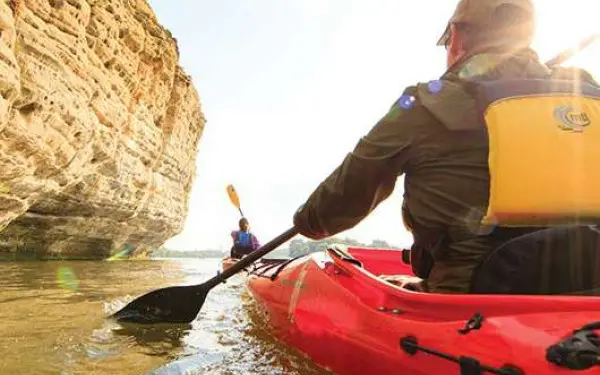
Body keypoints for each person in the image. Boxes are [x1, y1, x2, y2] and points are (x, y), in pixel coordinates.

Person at [293, 0, 600, 294]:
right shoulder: (588, 97)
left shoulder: (422, 104)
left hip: (469, 293)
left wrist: (306, 220)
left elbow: (336, 206)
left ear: (457, 36)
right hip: (586, 289)